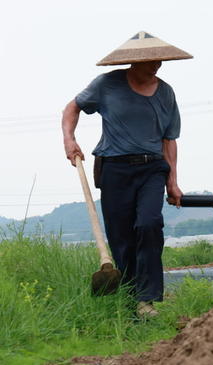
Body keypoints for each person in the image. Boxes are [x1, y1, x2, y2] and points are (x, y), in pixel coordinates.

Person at [62, 32, 192, 317]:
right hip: (115, 168)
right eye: (150, 60)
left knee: (149, 224)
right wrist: (69, 139)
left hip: (151, 169)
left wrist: (173, 181)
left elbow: (170, 139)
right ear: (133, 61)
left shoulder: (166, 92)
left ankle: (146, 299)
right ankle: (130, 297)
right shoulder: (108, 85)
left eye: (159, 59)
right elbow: (72, 108)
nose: (156, 64)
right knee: (121, 237)